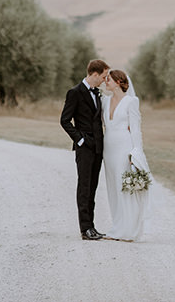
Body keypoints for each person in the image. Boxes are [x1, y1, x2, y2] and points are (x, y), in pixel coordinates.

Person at [60, 59, 109, 241]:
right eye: (103, 76)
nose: (105, 80)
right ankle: (85, 229)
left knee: (93, 188)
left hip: (98, 148)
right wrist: (79, 139)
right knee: (84, 187)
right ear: (94, 74)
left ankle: (92, 227)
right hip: (84, 149)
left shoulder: (97, 93)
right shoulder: (75, 93)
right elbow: (64, 120)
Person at [101, 69, 150, 241]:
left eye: (109, 79)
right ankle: (117, 227)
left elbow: (136, 129)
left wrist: (136, 152)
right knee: (113, 187)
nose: (106, 81)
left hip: (124, 148)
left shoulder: (131, 101)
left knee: (125, 188)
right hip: (108, 149)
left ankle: (128, 230)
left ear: (119, 82)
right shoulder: (105, 101)